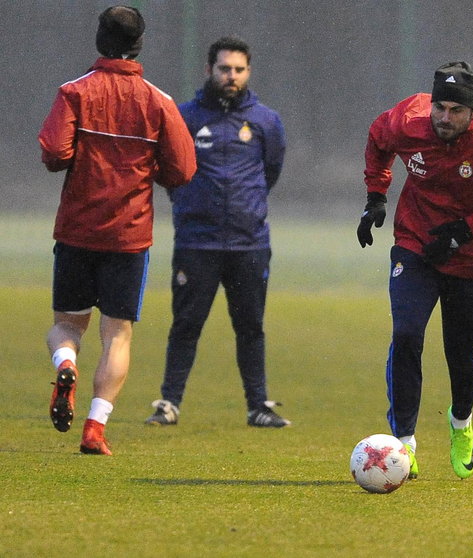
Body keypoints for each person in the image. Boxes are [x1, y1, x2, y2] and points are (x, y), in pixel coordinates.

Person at [357, 61, 473, 478]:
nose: (444, 117)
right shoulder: (407, 120)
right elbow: (377, 140)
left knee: (459, 354)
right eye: (440, 106)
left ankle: (461, 423)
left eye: (456, 110)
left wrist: (464, 230)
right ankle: (404, 442)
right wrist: (375, 195)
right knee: (406, 334)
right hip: (415, 244)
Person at [38, 6, 197, 455]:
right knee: (117, 333)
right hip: (129, 236)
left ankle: (65, 363)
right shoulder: (158, 101)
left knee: (66, 325)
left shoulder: (74, 93)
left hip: (76, 230)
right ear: (139, 44)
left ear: (98, 40)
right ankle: (95, 426)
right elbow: (183, 169)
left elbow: (53, 152)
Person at [144, 36, 289, 428]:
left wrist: (247, 209)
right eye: (225, 68)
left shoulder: (265, 121)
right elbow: (168, 171)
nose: (231, 76)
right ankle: (169, 403)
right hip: (197, 242)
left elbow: (270, 172)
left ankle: (258, 406)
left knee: (251, 327)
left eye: (239, 70)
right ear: (209, 70)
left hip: (250, 243)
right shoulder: (184, 117)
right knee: (186, 325)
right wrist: (193, 204)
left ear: (248, 72)